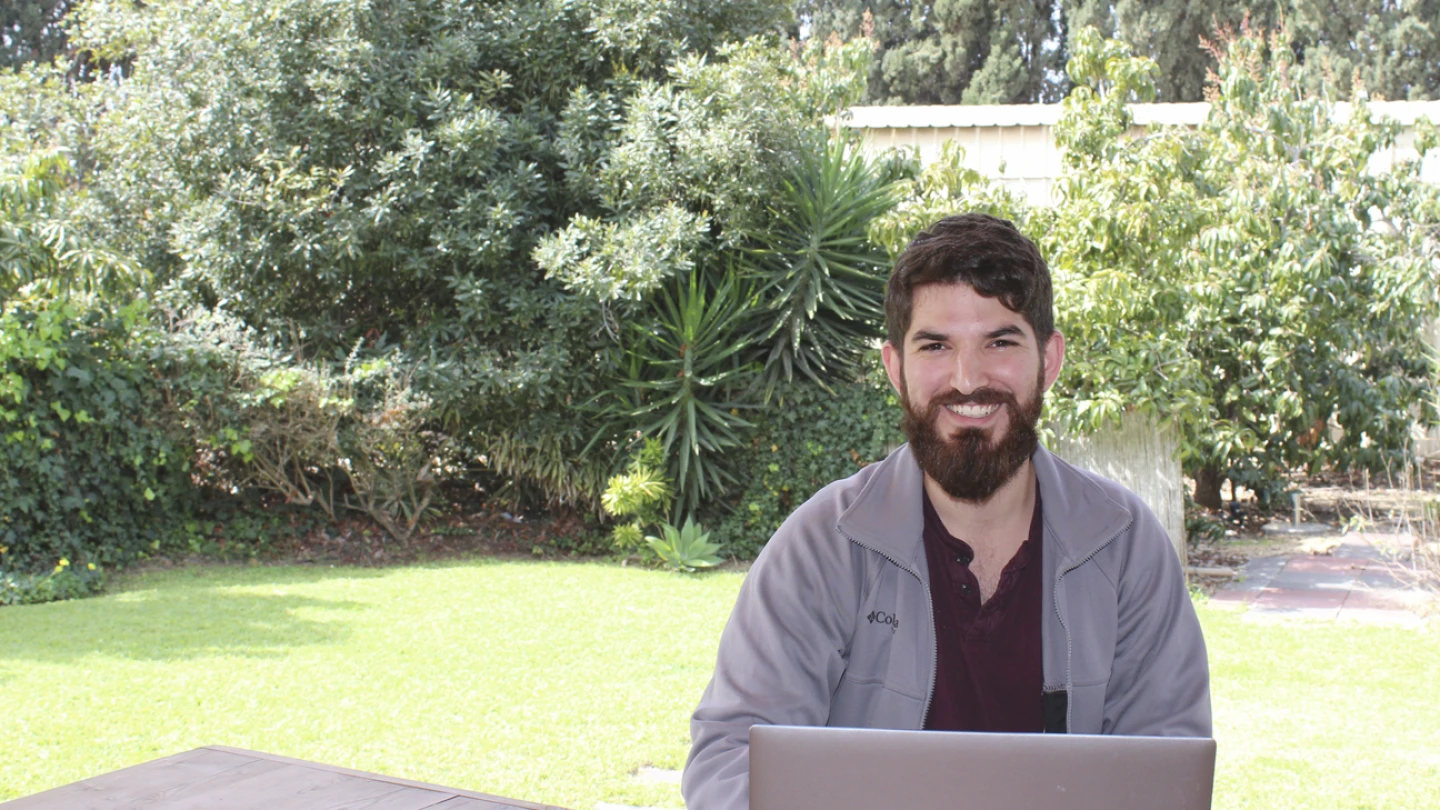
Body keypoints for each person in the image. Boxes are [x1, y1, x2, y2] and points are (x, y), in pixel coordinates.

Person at [681, 213, 1211, 810]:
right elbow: (733, 759)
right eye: (936, 345)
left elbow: (1165, 771)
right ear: (894, 369)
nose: (968, 379)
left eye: (1001, 342)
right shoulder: (820, 546)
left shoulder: (1127, 546)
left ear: (1050, 359)